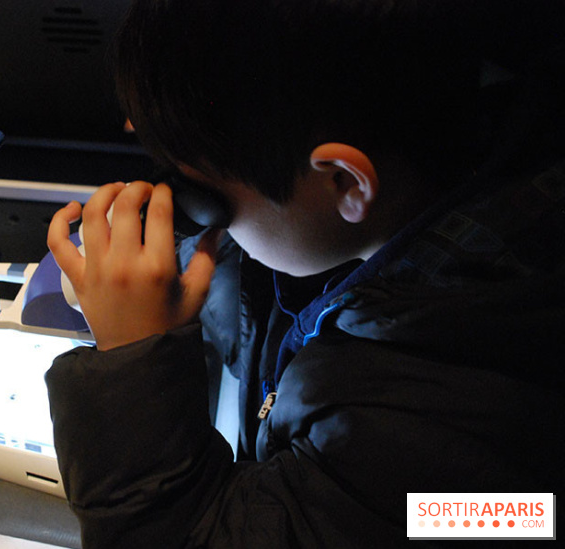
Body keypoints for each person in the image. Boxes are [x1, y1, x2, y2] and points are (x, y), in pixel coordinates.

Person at [44, 0, 565, 546]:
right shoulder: (434, 169)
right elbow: (273, 265)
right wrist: (144, 274)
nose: (194, 212)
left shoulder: (449, 465)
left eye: (209, 200)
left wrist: (132, 362)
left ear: (344, 182)